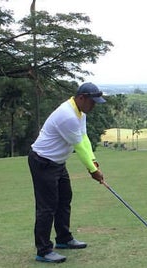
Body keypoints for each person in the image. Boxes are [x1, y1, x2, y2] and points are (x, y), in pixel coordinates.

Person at [27, 82, 106, 263]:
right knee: (47, 207)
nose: (94, 106)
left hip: (58, 162)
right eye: (92, 102)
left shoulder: (80, 112)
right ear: (81, 98)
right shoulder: (67, 116)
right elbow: (78, 146)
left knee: (64, 199)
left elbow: (83, 138)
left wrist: (93, 161)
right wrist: (93, 171)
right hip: (43, 161)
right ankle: (44, 250)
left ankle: (63, 238)